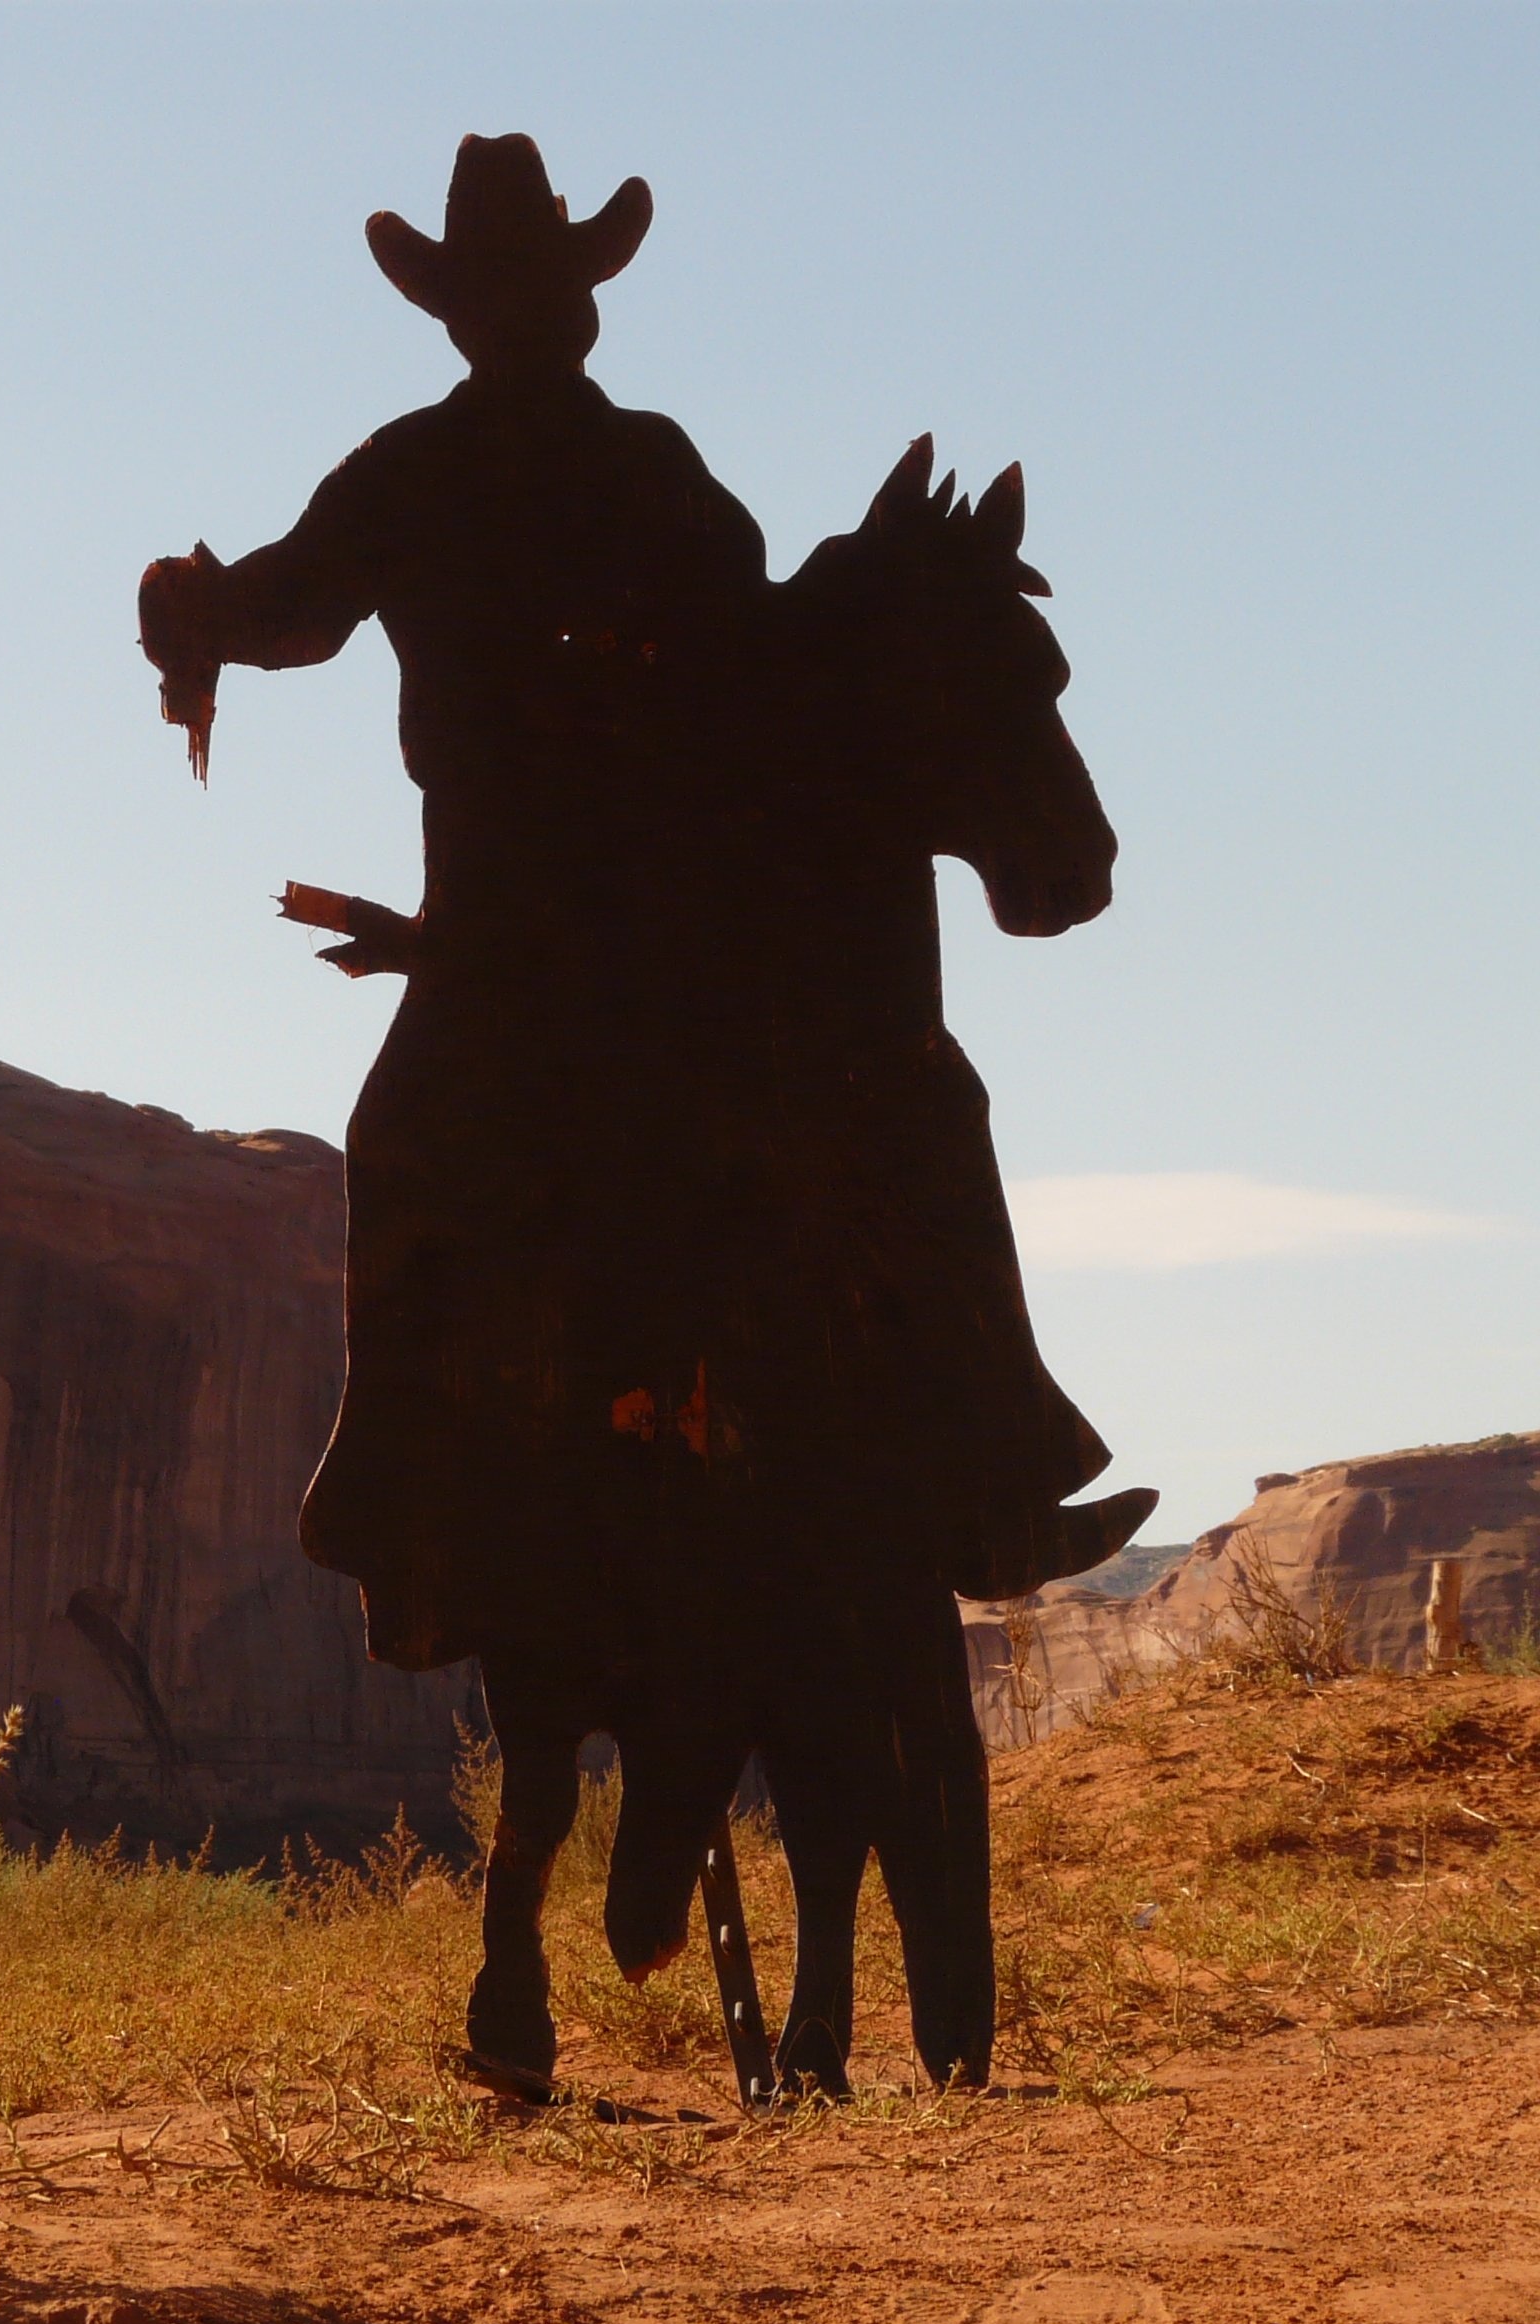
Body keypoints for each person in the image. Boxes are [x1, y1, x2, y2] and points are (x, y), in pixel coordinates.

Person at [139, 135, 1144, 1679]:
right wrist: (206, 616)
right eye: (520, 293)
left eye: (549, 291)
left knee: (437, 1144)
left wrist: (193, 613)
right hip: (602, 907)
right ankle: (982, 1473)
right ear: (489, 312)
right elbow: (302, 608)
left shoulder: (515, 466)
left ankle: (410, 1526)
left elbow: (299, 608)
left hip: (584, 906)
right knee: (889, 1104)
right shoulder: (533, 467)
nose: (542, 320)